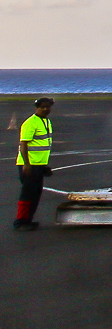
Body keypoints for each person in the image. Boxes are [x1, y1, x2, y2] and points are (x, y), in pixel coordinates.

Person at [16, 96, 53, 231]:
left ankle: (28, 220)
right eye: (42, 107)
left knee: (35, 193)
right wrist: (26, 164)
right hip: (29, 164)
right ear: (36, 108)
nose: (45, 109)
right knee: (27, 193)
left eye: (47, 106)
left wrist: (43, 166)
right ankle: (20, 221)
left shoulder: (46, 121)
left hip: (38, 164)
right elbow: (23, 143)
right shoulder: (30, 123)